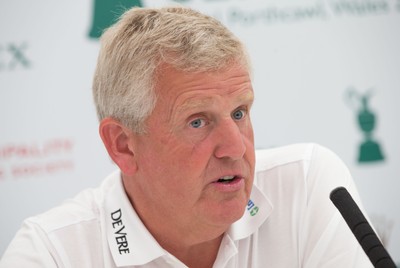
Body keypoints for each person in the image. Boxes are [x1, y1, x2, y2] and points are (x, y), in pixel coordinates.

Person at [0, 6, 373, 268]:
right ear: (123, 145)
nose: (236, 147)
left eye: (239, 113)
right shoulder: (51, 255)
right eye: (198, 121)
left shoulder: (309, 189)